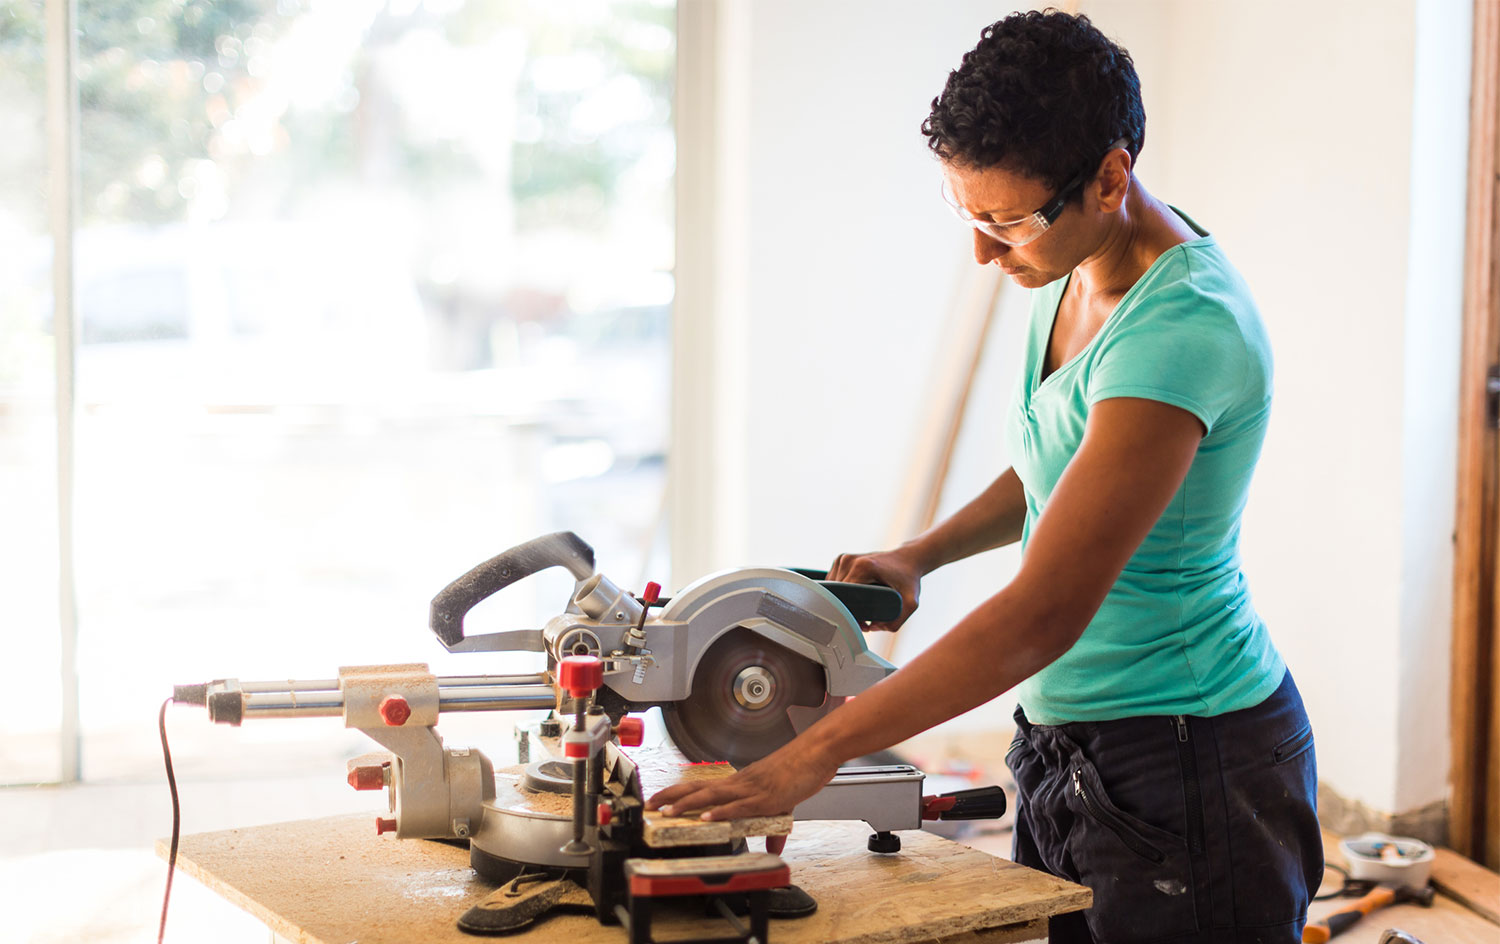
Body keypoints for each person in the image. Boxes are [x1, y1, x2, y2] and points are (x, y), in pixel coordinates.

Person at [646, 10, 1322, 943]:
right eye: (967, 216)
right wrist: (924, 552)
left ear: (1111, 176)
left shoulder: (1184, 330)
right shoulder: (1080, 265)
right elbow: (1066, 457)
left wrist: (823, 753)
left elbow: (1046, 610)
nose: (983, 251)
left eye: (1005, 221)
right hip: (1065, 739)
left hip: (1186, 760)